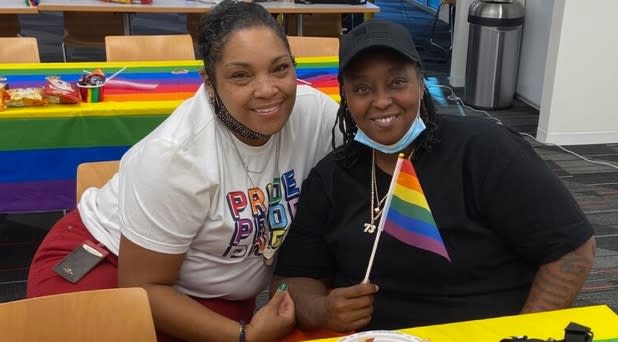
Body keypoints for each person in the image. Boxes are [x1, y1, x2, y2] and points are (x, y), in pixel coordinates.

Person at [26, 1, 340, 341]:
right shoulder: (177, 156)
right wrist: (243, 336)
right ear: (209, 81)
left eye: (279, 68)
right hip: (107, 266)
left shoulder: (316, 114)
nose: (267, 89)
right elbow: (144, 284)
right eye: (240, 75)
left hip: (207, 290)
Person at [273, 19, 596, 333]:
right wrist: (322, 311)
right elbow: (292, 278)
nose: (382, 100)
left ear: (421, 82)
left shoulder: (484, 148)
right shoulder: (330, 176)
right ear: (346, 97)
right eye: (362, 88)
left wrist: (527, 333)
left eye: (397, 82)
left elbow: (572, 249)